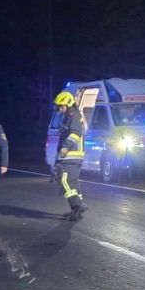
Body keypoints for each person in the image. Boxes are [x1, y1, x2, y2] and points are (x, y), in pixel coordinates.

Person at [53, 91, 88, 221]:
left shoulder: (73, 115)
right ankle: (78, 208)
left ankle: (77, 205)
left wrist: (66, 147)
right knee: (72, 182)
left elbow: (76, 133)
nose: (58, 109)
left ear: (67, 104)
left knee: (64, 181)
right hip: (72, 156)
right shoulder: (70, 116)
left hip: (71, 155)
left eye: (59, 106)